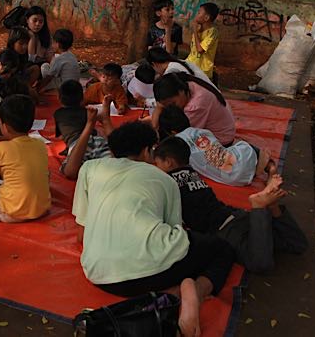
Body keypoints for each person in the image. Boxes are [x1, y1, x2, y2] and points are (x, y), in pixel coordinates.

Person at [72, 122, 235, 337]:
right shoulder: (164, 179)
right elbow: (174, 235)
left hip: (99, 275)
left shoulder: (90, 168)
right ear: (147, 151)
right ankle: (192, 292)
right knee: (222, 249)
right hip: (154, 274)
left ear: (113, 151)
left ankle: (174, 294)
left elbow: (81, 233)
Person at [153, 136, 307, 273]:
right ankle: (272, 208)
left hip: (224, 229)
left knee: (260, 263)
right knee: (297, 244)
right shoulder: (192, 173)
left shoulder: (168, 183)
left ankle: (259, 207)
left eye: (156, 163)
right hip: (238, 216)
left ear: (168, 162)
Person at [158, 105, 265, 187]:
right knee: (241, 146)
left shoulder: (177, 148)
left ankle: (258, 164)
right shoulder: (203, 131)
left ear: (172, 132)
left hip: (235, 178)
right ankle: (263, 163)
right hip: (242, 163)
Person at [152, 72, 236, 147]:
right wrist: (154, 127)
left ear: (181, 91)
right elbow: (160, 106)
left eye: (173, 103)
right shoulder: (185, 84)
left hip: (221, 140)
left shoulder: (196, 105)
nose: (172, 108)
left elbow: (184, 137)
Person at [56, 84, 112, 180]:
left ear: (59, 98)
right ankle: (105, 119)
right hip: (97, 140)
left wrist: (89, 124)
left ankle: (102, 120)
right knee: (116, 160)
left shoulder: (58, 114)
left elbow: (60, 136)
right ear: (82, 99)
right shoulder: (86, 111)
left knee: (70, 170)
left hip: (77, 143)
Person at [186, 3, 220, 80]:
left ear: (206, 18)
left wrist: (194, 30)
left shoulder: (212, 32)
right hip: (191, 65)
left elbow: (200, 50)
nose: (196, 15)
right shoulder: (199, 30)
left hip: (202, 71)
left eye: (199, 13)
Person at [147, 47, 211, 84]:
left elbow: (169, 97)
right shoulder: (179, 62)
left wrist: (146, 101)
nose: (157, 73)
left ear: (154, 64)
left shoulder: (171, 71)